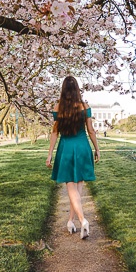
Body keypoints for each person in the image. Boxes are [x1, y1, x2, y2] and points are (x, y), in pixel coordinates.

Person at [46, 76, 100, 239]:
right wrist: (97, 148)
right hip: (83, 146)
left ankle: (82, 220)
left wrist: (50, 153)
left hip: (67, 148)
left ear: (63, 90)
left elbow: (55, 132)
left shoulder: (58, 108)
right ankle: (71, 221)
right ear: (77, 89)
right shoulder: (85, 106)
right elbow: (91, 130)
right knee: (77, 188)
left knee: (71, 187)